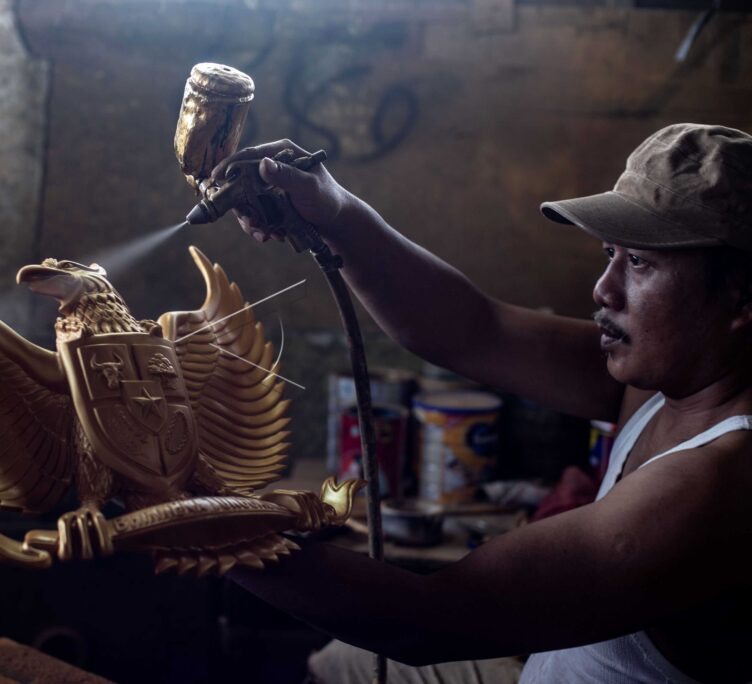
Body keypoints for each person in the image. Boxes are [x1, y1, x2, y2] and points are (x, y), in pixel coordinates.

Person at [212, 123, 752, 683]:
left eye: (639, 262)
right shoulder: (665, 380)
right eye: (610, 253)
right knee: (340, 663)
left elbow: (431, 618)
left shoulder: (715, 486)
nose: (604, 289)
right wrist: (336, 210)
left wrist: (204, 527)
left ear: (742, 296)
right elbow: (473, 329)